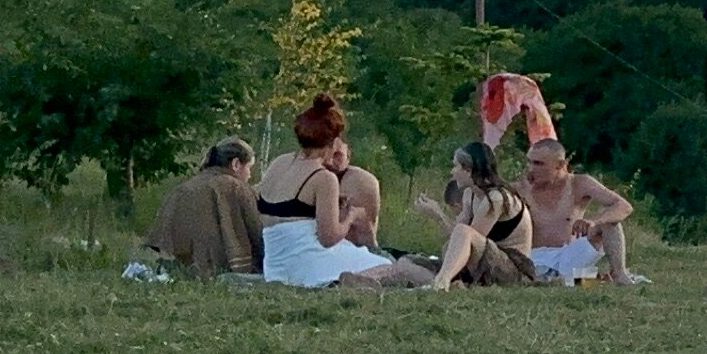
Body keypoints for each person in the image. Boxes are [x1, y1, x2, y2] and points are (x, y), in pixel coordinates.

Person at [256, 97, 429, 288]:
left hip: (275, 266)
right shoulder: (323, 178)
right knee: (389, 266)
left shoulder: (279, 163)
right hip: (308, 265)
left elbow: (284, 210)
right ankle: (348, 281)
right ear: (332, 142)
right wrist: (351, 217)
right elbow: (328, 238)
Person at [417, 140, 539, 290]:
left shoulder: (496, 198)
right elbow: (455, 237)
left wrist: (438, 215)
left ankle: (442, 282)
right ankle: (446, 281)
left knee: (463, 232)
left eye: (455, 166)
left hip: (514, 271)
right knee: (407, 263)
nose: (452, 172)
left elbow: (468, 239)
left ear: (469, 170)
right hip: (486, 265)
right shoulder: (470, 194)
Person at [521, 138, 642, 285]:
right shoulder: (520, 188)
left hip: (571, 254)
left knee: (610, 221)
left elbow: (624, 206)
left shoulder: (579, 183)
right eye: (530, 162)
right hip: (536, 257)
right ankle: (581, 280)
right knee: (549, 280)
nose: (531, 169)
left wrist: (594, 221)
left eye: (539, 164)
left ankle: (619, 274)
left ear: (560, 165)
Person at [140, 138, 264, 280]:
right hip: (222, 271)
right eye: (249, 168)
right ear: (236, 164)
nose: (250, 175)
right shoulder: (238, 188)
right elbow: (259, 232)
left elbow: (161, 239)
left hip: (176, 270)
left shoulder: (182, 189)